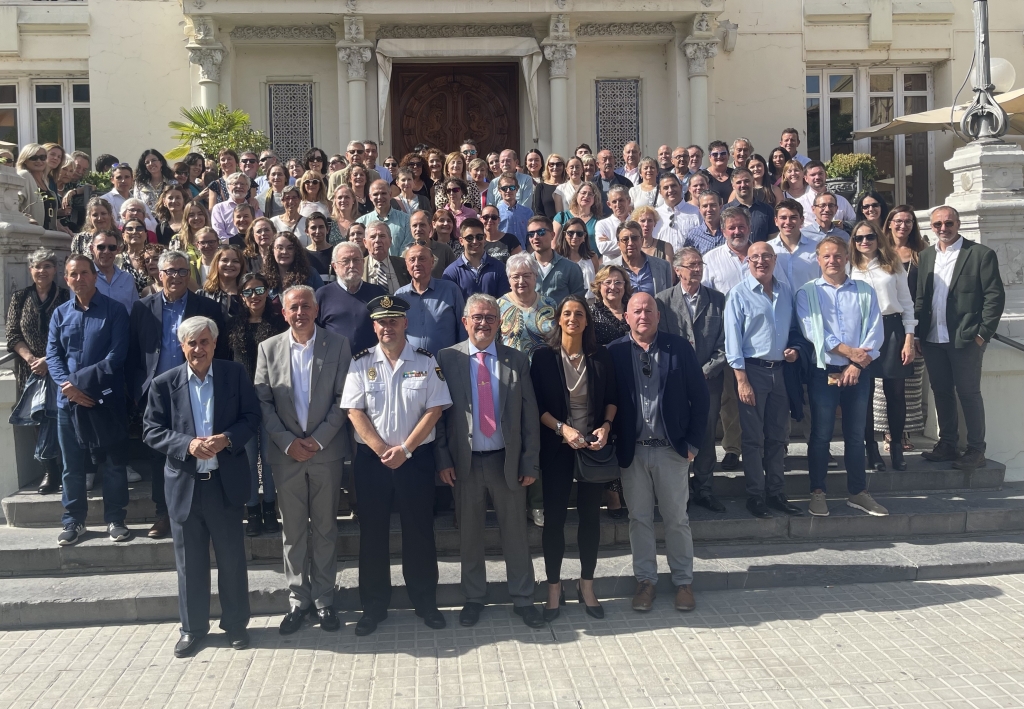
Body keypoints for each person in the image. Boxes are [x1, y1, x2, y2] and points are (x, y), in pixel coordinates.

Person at [143, 315, 260, 658]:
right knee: (189, 564)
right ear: (182, 347)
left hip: (224, 484)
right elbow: (151, 430)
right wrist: (187, 445)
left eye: (204, 342)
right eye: (191, 343)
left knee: (232, 561)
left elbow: (251, 417)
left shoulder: (234, 375)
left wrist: (227, 439)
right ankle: (192, 629)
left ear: (214, 343)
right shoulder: (164, 383)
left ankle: (236, 625)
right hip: (186, 486)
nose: (198, 349)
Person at [340, 295, 453, 636]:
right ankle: (373, 607)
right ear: (374, 326)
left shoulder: (425, 360)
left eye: (393, 320)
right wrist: (380, 450)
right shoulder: (361, 363)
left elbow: (435, 409)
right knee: (372, 535)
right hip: (372, 464)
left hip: (415, 460)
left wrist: (405, 449)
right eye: (381, 321)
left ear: (405, 323)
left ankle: (425, 601)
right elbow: (354, 410)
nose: (386, 327)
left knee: (419, 532)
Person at [434, 294, 544, 628]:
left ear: (500, 323)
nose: (483, 323)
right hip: (464, 463)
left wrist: (529, 462)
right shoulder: (447, 358)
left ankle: (523, 598)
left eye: (490, 318)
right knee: (470, 535)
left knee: (515, 534)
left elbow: (529, 417)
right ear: (465, 321)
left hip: (505, 462)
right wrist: (443, 459)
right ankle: (473, 597)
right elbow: (437, 415)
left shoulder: (516, 360)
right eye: (477, 317)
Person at [254, 286, 352, 635]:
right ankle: (299, 600)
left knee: (325, 527)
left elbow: (344, 397)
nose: (300, 312)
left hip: (326, 451)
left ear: (316, 309)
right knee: (293, 531)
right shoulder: (268, 348)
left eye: (306, 306)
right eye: (294, 307)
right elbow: (263, 402)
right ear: (283, 312)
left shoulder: (337, 344)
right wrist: (287, 443)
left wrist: (318, 439)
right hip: (286, 456)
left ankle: (325, 599)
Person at [607, 293, 709, 613]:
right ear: (626, 317)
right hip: (633, 452)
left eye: (648, 310)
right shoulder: (615, 352)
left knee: (676, 519)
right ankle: (646, 582)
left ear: (658, 315)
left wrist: (692, 444)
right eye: (636, 311)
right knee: (639, 519)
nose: (643, 315)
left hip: (671, 451)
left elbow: (701, 397)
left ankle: (683, 582)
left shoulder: (677, 348)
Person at [127, 249, 229, 538]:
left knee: (199, 448)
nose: (176, 276)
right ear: (159, 275)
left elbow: (218, 352)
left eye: (182, 271)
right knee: (160, 455)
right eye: (170, 271)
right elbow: (133, 352)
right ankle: (164, 514)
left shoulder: (205, 307)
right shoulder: (142, 308)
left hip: (196, 389)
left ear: (189, 275)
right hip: (157, 393)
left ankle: (201, 510)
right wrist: (138, 390)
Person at [530, 295, 618, 620]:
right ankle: (554, 588)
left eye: (579, 314)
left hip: (592, 449)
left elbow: (612, 398)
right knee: (553, 519)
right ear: (558, 320)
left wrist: (606, 428)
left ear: (586, 321)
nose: (572, 318)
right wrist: (562, 429)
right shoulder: (543, 358)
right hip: (557, 449)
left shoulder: (600, 356)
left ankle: (586, 584)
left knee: (590, 519)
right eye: (567, 313)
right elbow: (537, 406)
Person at [796, 236, 887, 517]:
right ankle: (818, 491)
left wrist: (856, 366)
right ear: (818, 259)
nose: (832, 261)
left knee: (856, 434)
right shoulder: (807, 293)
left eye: (838, 256)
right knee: (821, 435)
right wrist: (850, 354)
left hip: (858, 373)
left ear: (847, 257)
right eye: (826, 256)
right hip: (824, 372)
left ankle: (858, 492)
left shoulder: (864, 291)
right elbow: (814, 332)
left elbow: (875, 330)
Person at [46, 255, 131, 546]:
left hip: (103, 401)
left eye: (84, 273)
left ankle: (116, 519)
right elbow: (53, 355)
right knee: (71, 466)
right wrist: (67, 388)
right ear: (66, 279)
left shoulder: (115, 311)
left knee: (113, 464)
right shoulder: (59, 314)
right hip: (67, 404)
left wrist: (78, 385)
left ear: (95, 276)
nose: (79, 279)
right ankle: (73, 521)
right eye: (73, 274)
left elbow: (116, 357)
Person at [915, 206, 1005, 470]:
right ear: (931, 227)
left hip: (965, 338)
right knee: (941, 392)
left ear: (958, 223)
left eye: (948, 223)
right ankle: (948, 444)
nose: (943, 228)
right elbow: (921, 297)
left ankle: (976, 450)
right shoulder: (926, 256)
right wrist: (919, 333)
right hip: (933, 338)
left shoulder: (980, 254)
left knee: (968, 393)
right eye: (937, 224)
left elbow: (994, 296)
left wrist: (982, 334)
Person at [724, 242, 802, 519]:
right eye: (755, 257)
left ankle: (777, 492)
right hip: (753, 372)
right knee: (754, 439)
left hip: (780, 371)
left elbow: (794, 329)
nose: (761, 261)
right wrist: (741, 380)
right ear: (747, 261)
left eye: (766, 256)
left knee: (778, 437)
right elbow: (732, 341)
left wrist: (795, 349)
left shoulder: (785, 291)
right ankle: (756, 495)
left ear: (774, 259)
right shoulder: (738, 294)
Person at [655, 248, 727, 513]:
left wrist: (708, 369)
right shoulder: (662, 301)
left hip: (709, 381)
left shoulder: (718, 300)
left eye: (699, 264)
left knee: (706, 434)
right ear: (678, 270)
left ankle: (705, 489)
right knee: (678, 433)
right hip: (675, 383)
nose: (696, 269)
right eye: (691, 265)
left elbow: (725, 341)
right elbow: (659, 341)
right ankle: (680, 491)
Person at [849, 221, 916, 472]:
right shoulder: (850, 268)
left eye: (869, 237)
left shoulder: (893, 265)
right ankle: (871, 449)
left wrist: (909, 337)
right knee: (864, 395)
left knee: (895, 393)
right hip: (862, 332)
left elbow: (907, 303)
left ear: (878, 238)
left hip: (892, 329)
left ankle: (897, 447)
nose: (864, 242)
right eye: (859, 238)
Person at [7, 248, 70, 494]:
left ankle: (68, 468)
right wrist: (33, 359)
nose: (42, 271)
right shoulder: (20, 298)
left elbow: (70, 333)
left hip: (58, 367)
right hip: (30, 370)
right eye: (37, 266)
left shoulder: (65, 297)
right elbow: (13, 334)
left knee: (62, 417)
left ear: (55, 270)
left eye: (47, 266)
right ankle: (49, 471)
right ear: (30, 270)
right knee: (38, 418)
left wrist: (48, 359)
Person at [228, 272, 287, 536]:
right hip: (242, 403)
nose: (255, 296)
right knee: (249, 459)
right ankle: (252, 511)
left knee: (270, 458)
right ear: (241, 296)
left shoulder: (278, 324)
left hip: (272, 400)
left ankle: (270, 509)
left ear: (267, 291)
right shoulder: (233, 325)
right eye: (249, 292)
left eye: (260, 290)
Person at [702, 205, 756, 472]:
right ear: (723, 230)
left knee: (766, 395)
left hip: (761, 339)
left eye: (741, 226)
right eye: (731, 227)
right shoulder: (710, 259)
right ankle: (733, 448)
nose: (737, 231)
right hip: (726, 340)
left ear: (749, 227)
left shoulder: (763, 255)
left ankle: (771, 445)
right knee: (729, 398)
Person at [877, 206, 929, 452]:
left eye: (908, 221)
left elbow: (926, 293)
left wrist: (915, 332)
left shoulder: (923, 253)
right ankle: (888, 431)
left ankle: (903, 432)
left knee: (907, 385)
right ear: (889, 223)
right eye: (898, 221)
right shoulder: (879, 252)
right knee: (884, 385)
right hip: (886, 324)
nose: (903, 226)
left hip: (912, 323)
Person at [315, 242, 388, 353]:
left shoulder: (377, 293)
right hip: (335, 364)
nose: (352, 265)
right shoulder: (322, 295)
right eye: (346, 261)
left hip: (372, 363)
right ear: (335, 266)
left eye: (356, 260)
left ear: (363, 262)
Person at [395, 242, 466, 354]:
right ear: (406, 264)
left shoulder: (450, 290)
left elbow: (463, 328)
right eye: (412, 260)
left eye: (422, 259)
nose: (417, 264)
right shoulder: (400, 296)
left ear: (432, 262)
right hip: (412, 366)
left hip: (446, 365)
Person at [498, 254, 558, 363]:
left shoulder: (550, 304)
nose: (521, 281)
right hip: (513, 372)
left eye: (526, 275)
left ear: (535, 276)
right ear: (509, 279)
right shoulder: (498, 306)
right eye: (516, 276)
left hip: (546, 370)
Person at [442, 218, 511, 300]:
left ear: (484, 238)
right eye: (469, 238)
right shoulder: (451, 272)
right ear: (461, 241)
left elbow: (505, 304)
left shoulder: (500, 268)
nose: (475, 241)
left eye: (479, 237)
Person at [529, 216, 586, 303]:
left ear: (552, 235)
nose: (535, 237)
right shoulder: (523, 266)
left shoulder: (571, 268)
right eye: (531, 234)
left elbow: (578, 302)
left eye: (541, 232)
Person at [609, 222, 673, 296]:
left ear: (642, 241)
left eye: (634, 238)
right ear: (618, 244)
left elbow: (669, 300)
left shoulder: (663, 266)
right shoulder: (608, 269)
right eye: (625, 239)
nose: (630, 243)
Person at [769, 199, 821, 288]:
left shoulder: (816, 248)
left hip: (809, 301)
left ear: (801, 220)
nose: (788, 222)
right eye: (783, 218)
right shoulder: (769, 249)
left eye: (793, 217)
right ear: (776, 221)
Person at [88, 230, 139, 314]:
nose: (106, 251)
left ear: (117, 250)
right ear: (91, 249)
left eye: (111, 247)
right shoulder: (84, 277)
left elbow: (135, 311)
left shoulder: (127, 279)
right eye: (101, 247)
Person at [357, 180, 412, 256]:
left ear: (390, 194)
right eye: (375, 194)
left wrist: (395, 264)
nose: (380, 197)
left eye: (383, 193)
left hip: (399, 266)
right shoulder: (362, 222)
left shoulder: (406, 220)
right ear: (370, 197)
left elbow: (407, 249)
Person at [725, 168, 777, 243]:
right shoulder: (725, 211)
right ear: (733, 186)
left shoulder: (767, 210)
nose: (743, 185)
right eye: (739, 182)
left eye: (746, 181)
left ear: (753, 183)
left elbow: (773, 240)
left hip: (761, 254)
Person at [798, 161, 856, 226]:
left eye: (820, 173)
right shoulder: (800, 203)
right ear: (806, 178)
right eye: (813, 175)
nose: (817, 177)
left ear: (826, 175)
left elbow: (854, 221)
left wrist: (844, 225)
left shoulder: (841, 201)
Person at [556, 217, 602, 297]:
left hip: (589, 302)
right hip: (565, 303)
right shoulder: (557, 256)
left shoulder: (592, 256)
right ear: (564, 235)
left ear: (584, 236)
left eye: (579, 233)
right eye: (570, 233)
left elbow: (597, 282)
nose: (575, 237)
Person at [362, 221, 411, 294]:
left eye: (382, 236)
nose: (378, 240)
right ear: (365, 242)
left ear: (390, 240)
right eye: (373, 237)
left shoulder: (404, 264)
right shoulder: (359, 265)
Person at [654, 174, 701, 250]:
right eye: (666, 188)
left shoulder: (695, 212)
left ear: (681, 187)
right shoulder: (655, 215)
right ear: (660, 192)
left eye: (673, 186)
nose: (670, 190)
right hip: (663, 260)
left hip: (688, 259)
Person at [589, 265, 632, 347]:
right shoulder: (591, 314)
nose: (613, 287)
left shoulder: (633, 310)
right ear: (599, 286)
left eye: (618, 282)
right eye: (608, 282)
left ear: (625, 286)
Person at [200, 245, 246, 321]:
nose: (229, 264)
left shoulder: (248, 294)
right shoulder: (202, 295)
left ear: (241, 266)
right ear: (216, 264)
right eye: (225, 260)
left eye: (235, 261)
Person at [212, 173, 262, 239]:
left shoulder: (254, 206)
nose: (239, 186)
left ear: (248, 188)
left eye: (243, 184)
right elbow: (219, 233)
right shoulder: (219, 208)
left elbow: (261, 228)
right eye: (235, 184)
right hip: (228, 246)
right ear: (228, 187)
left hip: (252, 244)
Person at [410, 209, 457, 276]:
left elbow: (455, 275)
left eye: (422, 225)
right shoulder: (407, 252)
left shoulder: (444, 250)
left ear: (430, 226)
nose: (418, 229)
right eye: (414, 225)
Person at [553, 182, 601, 249]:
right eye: (583, 193)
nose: (586, 196)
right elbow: (554, 244)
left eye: (590, 194)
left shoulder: (599, 221)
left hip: (592, 259)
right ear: (576, 195)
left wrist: (598, 260)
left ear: (595, 199)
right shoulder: (562, 217)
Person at [495, 172, 534, 249]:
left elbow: (530, 239)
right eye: (504, 188)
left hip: (523, 256)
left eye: (512, 188)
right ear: (499, 190)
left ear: (517, 189)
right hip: (502, 255)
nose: (508, 191)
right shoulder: (495, 213)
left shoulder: (528, 213)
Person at [594, 185, 632, 262]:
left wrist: (611, 242)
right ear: (609, 204)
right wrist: (630, 242)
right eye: (614, 201)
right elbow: (602, 248)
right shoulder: (602, 224)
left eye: (621, 200)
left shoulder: (636, 221)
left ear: (628, 201)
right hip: (611, 268)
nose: (618, 204)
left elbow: (642, 245)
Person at [683, 190, 725, 255]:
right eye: (705, 206)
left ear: (720, 206)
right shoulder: (693, 236)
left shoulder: (731, 230)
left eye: (713, 205)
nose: (709, 209)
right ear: (699, 209)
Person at [532, 153, 565, 219]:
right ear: (547, 167)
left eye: (558, 164)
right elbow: (538, 211)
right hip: (547, 226)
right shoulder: (540, 187)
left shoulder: (568, 186)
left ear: (563, 167)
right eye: (551, 164)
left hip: (568, 226)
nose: (555, 167)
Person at [304, 211, 336, 278]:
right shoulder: (302, 254)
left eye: (321, 227)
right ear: (307, 231)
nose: (317, 231)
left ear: (327, 230)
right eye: (313, 228)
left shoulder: (336, 252)